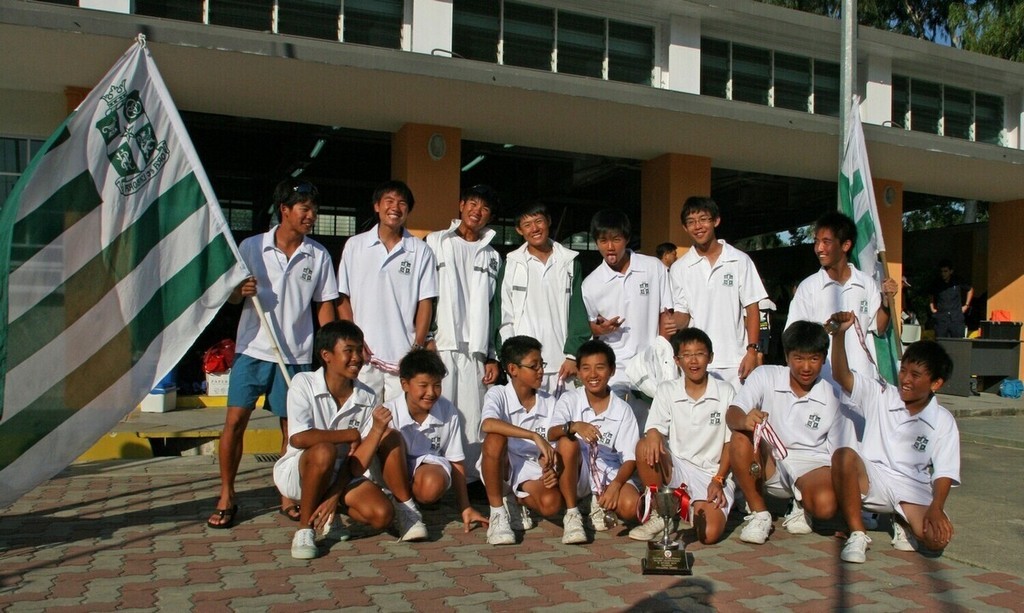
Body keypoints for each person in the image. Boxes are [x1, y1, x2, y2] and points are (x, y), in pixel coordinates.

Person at [208, 179, 338, 530]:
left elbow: (324, 305)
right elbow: (230, 298)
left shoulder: (319, 255)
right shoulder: (251, 247)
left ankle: (286, 494)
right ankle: (226, 494)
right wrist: (239, 291)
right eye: (304, 209)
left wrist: (326, 348)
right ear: (284, 210)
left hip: (296, 355)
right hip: (253, 350)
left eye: (314, 209)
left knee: (291, 429)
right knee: (235, 423)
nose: (311, 215)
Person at [827, 311, 960, 564]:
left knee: (935, 539)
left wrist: (936, 507)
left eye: (915, 376)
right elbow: (841, 376)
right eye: (904, 372)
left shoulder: (943, 420)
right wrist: (840, 334)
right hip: (873, 478)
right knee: (844, 455)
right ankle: (857, 532)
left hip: (913, 488)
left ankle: (902, 520)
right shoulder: (882, 394)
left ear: (936, 384)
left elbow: (945, 471)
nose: (905, 380)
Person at [273, 321, 395, 559]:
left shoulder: (367, 396)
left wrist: (334, 495)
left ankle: (330, 510)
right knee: (324, 451)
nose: (356, 358)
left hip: (342, 475)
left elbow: (357, 457)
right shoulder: (303, 383)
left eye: (359, 350)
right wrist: (348, 434)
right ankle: (305, 530)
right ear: (326, 355)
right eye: (348, 350)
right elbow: (298, 438)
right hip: (299, 472)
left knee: (382, 515)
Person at [726, 321, 847, 545]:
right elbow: (732, 413)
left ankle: (801, 505)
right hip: (770, 460)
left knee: (826, 506)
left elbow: (841, 451)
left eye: (814, 359)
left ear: (823, 358)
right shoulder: (765, 375)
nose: (806, 367)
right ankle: (760, 513)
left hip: (812, 465)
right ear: (786, 355)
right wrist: (745, 419)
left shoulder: (834, 394)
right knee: (740, 437)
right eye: (799, 358)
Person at [424, 185, 502, 481]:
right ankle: (434, 477)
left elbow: (497, 309)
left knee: (472, 418)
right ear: (460, 205)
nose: (476, 211)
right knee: (439, 413)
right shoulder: (435, 242)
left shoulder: (493, 256)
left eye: (484, 208)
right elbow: (423, 295)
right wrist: (427, 337)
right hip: (442, 345)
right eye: (472, 203)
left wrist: (493, 356)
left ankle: (470, 480)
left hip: (477, 351)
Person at [631, 328, 735, 545]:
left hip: (712, 474)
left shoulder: (726, 391)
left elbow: (730, 443)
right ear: (677, 360)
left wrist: (718, 479)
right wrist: (653, 435)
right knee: (644, 446)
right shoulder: (667, 390)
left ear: (711, 357)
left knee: (708, 535)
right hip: (677, 467)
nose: (693, 361)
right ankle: (661, 514)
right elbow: (654, 428)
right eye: (686, 355)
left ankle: (689, 508)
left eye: (699, 353)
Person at [337, 180, 438, 401]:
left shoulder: (421, 251)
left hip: (403, 358)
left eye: (402, 203)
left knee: (399, 426)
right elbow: (343, 298)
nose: (395, 207)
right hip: (363, 356)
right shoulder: (355, 246)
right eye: (389, 201)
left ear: (408, 210)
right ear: (376, 206)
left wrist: (416, 347)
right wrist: (354, 342)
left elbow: (425, 303)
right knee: (363, 422)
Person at [479, 335, 585, 545]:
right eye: (534, 366)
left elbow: (556, 443)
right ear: (513, 369)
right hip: (505, 465)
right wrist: (533, 435)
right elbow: (487, 424)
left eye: (541, 364)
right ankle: (498, 513)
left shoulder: (550, 401)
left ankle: (516, 502)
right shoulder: (498, 394)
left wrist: (550, 467)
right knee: (494, 439)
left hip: (532, 468)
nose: (541, 371)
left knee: (551, 504)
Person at [582, 209, 675, 424]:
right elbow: (590, 327)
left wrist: (661, 350)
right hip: (617, 368)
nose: (610, 247)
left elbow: (665, 312)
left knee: (656, 427)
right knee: (617, 427)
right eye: (603, 241)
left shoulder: (653, 267)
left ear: (627, 239)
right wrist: (600, 329)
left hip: (652, 362)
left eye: (616, 239)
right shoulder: (591, 284)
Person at [385, 349, 489, 536]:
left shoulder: (448, 410)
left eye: (437, 385)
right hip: (392, 474)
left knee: (431, 487)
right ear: (404, 384)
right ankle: (403, 506)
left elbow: (456, 460)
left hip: (426, 470)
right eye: (423, 385)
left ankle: (410, 506)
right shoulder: (389, 412)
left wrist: (465, 506)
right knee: (389, 438)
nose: (431, 393)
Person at [787, 211, 898, 383]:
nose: (819, 249)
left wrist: (886, 303)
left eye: (826, 242)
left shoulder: (866, 283)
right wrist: (832, 328)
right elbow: (794, 336)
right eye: (816, 242)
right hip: (825, 381)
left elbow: (880, 327)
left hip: (863, 380)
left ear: (846, 245)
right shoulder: (808, 288)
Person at [493, 203, 590, 398]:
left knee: (564, 425)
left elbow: (579, 312)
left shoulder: (570, 262)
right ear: (519, 230)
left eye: (539, 221)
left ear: (549, 222)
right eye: (527, 224)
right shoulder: (511, 264)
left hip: (563, 365)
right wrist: (512, 360)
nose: (534, 229)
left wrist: (573, 355)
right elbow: (503, 317)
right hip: (525, 367)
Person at [670, 196, 766, 390]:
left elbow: (752, 309)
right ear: (685, 228)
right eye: (691, 222)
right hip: (698, 361)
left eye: (703, 219)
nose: (698, 226)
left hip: (736, 361)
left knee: (736, 418)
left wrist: (752, 351)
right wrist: (669, 322)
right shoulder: (679, 268)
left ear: (716, 220)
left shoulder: (739, 260)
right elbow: (683, 314)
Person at [548, 340, 641, 532]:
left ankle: (593, 501)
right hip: (577, 471)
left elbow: (630, 458)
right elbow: (551, 433)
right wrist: (574, 426)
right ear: (579, 373)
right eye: (586, 368)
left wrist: (616, 485)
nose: (593, 375)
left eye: (600, 368)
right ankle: (572, 512)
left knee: (631, 508)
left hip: (609, 471)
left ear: (612, 370)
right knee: (566, 442)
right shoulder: (570, 399)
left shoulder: (622, 409)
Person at [930, 259, 973, 338]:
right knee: (940, 342)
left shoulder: (957, 281)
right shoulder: (937, 282)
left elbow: (970, 289)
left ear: (951, 271)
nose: (943, 274)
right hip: (941, 317)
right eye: (941, 271)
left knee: (958, 343)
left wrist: (966, 305)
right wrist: (932, 307)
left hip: (956, 317)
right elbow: (931, 294)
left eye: (945, 271)